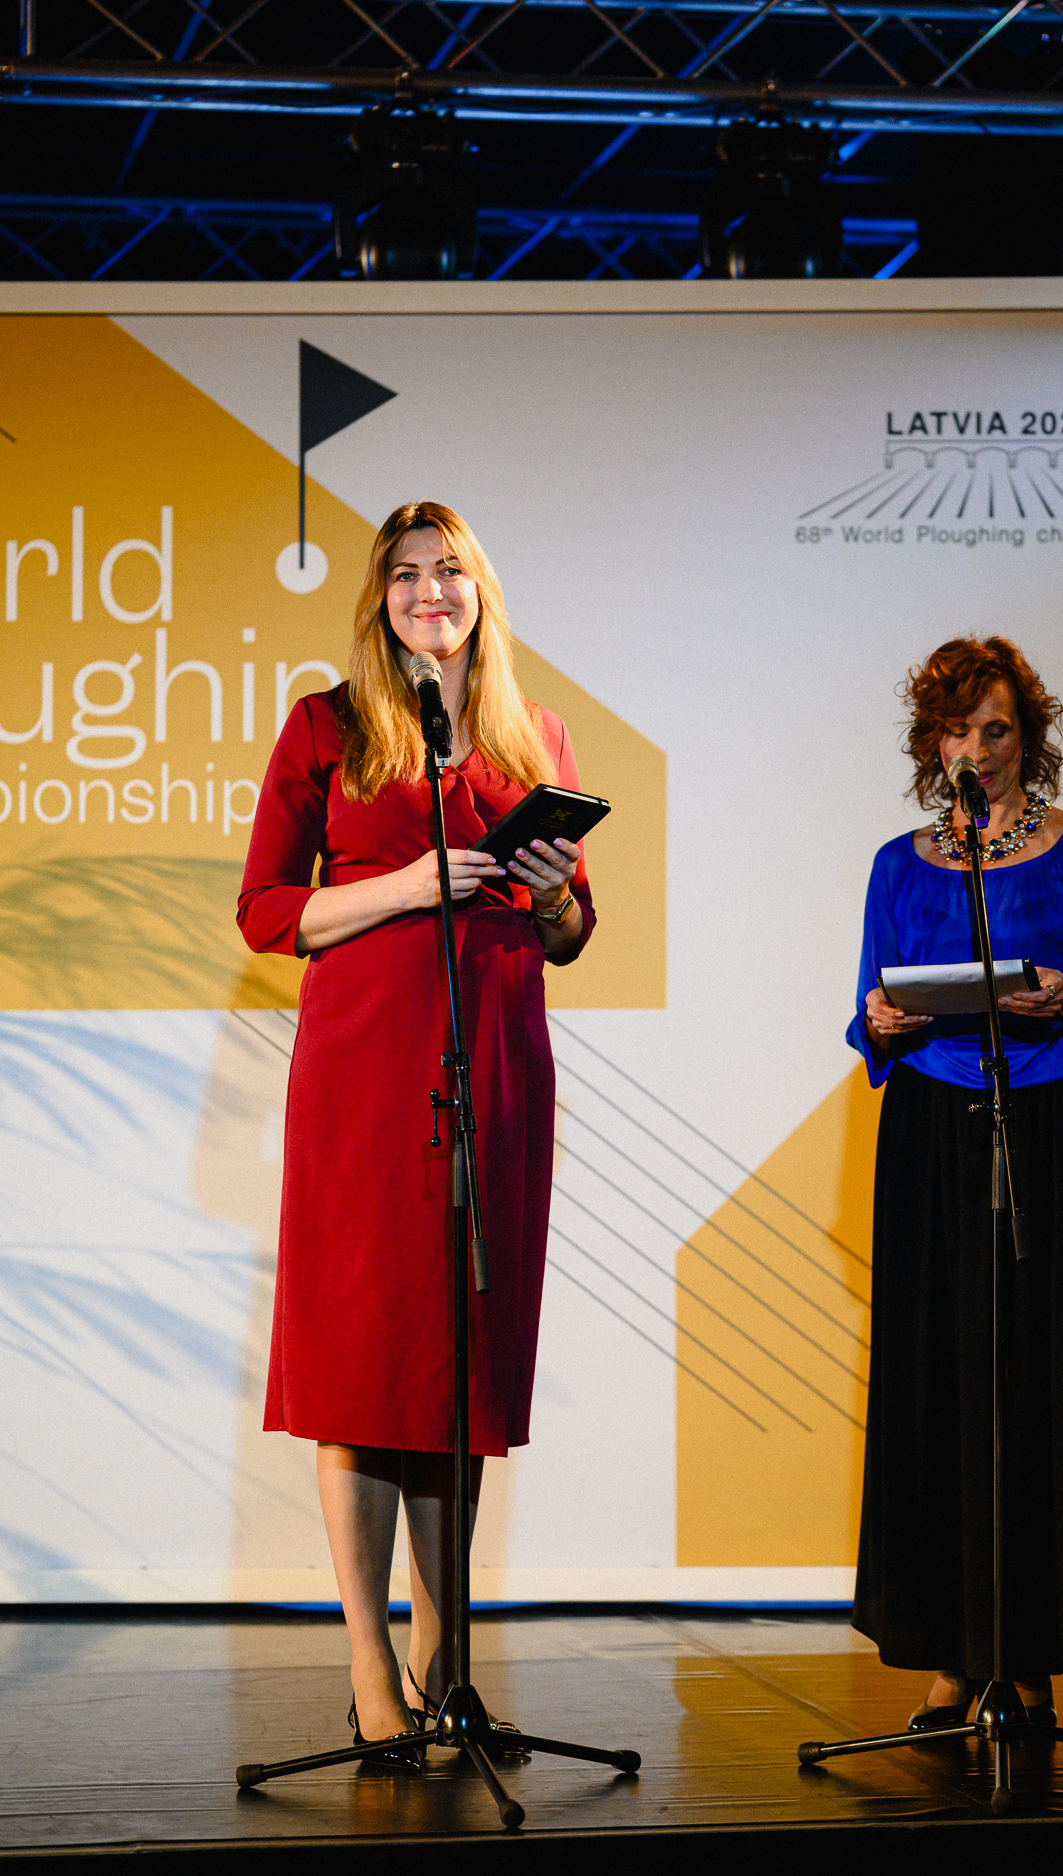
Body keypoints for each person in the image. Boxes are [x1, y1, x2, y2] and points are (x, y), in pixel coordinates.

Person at [237, 500, 595, 1769]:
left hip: (492, 1071)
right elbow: (265, 909)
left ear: (479, 590)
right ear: (379, 596)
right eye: (405, 573)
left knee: (457, 1363)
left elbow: (571, 931)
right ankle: (367, 1660)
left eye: (449, 570)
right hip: (363, 1078)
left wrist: (550, 898)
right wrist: (405, 884)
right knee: (363, 1363)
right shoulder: (325, 726)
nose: (429, 590)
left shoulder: (530, 733)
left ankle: (449, 1659)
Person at [847, 634, 1063, 1729]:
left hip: (1046, 1130)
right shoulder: (897, 862)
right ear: (930, 742)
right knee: (937, 1383)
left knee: (1038, 1383)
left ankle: (1025, 1656)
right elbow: (866, 1012)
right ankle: (945, 1652)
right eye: (954, 728)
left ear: (1028, 738)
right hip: (929, 1131)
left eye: (995, 727)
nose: (974, 747)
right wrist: (879, 1020)